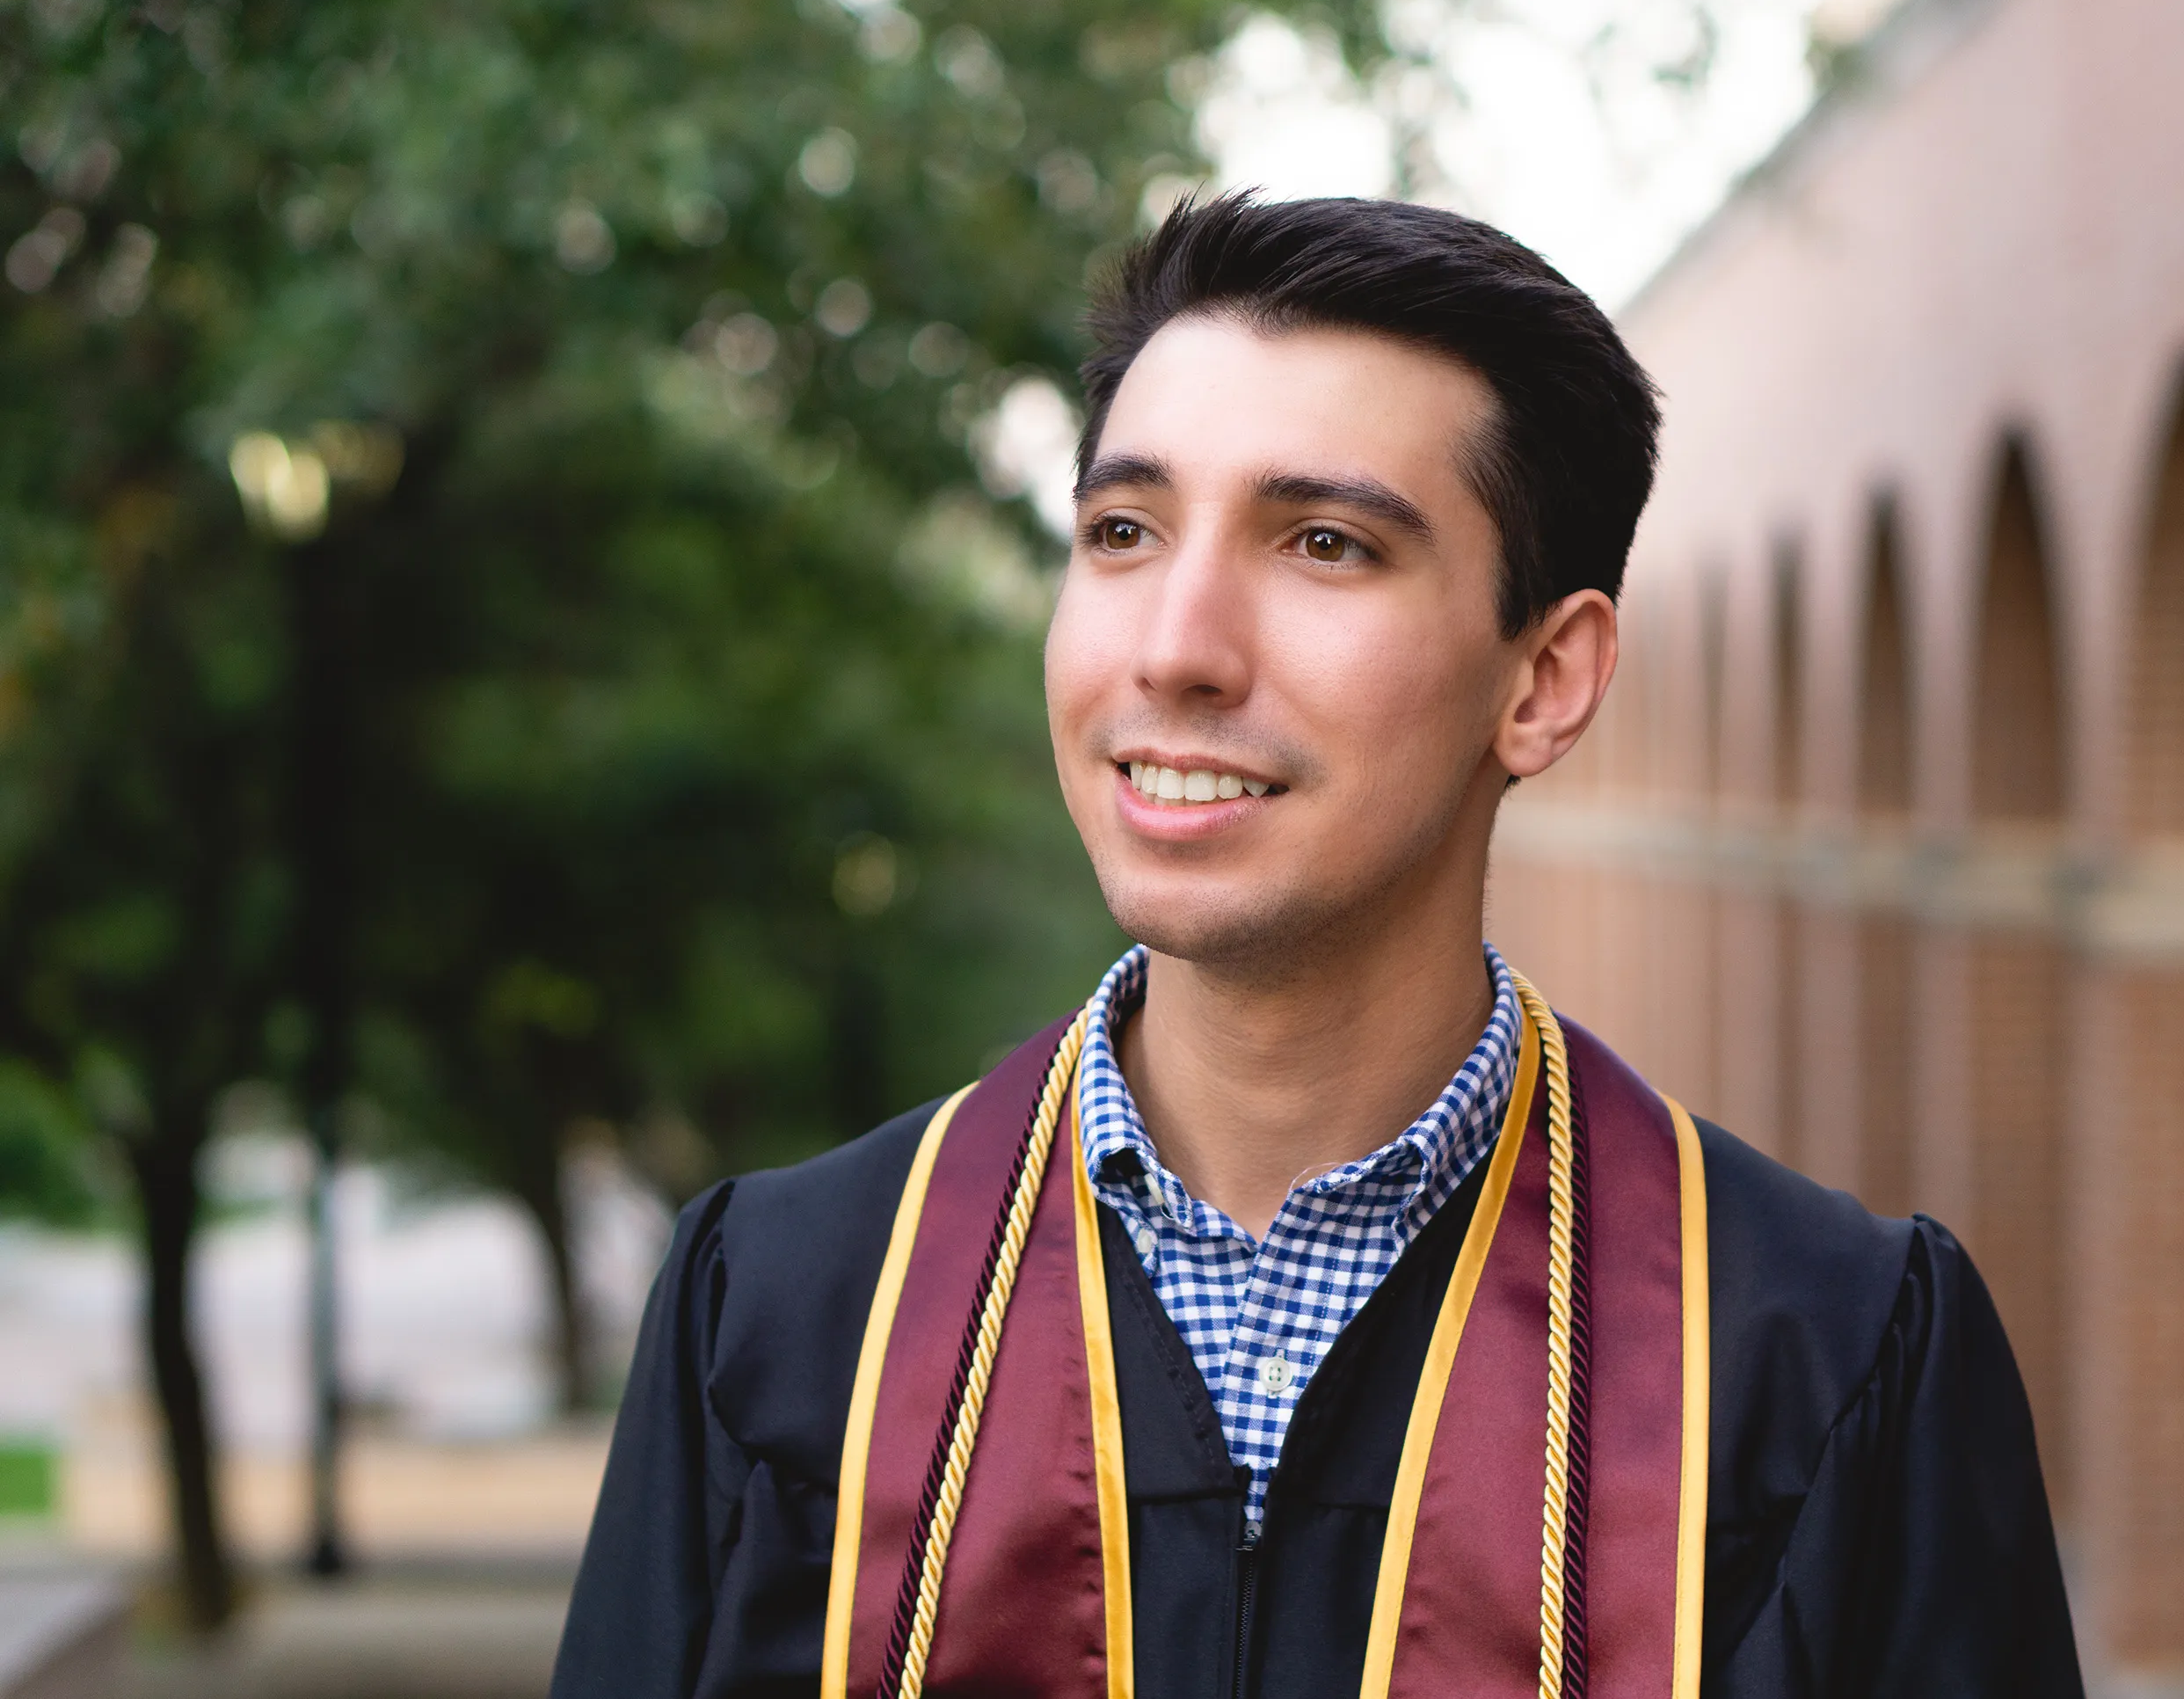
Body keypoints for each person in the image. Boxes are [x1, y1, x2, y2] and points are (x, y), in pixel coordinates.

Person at [551, 193, 2081, 1699]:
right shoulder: (785, 1319)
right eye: (1124, 531)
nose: (1176, 648)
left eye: (1326, 544)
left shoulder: (1813, 1360)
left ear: (1544, 679)